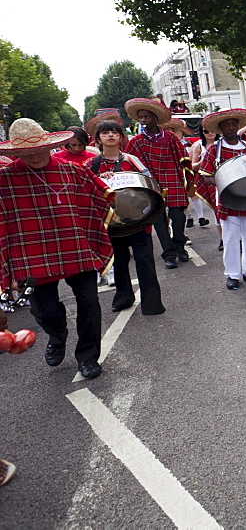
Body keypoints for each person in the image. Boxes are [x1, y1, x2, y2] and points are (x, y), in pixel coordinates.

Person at [0, 118, 114, 379]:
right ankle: (57, 334)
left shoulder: (72, 170)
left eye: (39, 149)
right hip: (31, 256)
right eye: (26, 153)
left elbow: (101, 196)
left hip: (75, 247)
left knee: (89, 302)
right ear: (16, 153)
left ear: (48, 146)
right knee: (45, 311)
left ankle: (87, 357)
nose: (35, 156)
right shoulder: (4, 180)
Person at [89, 120, 165, 316]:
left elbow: (149, 181)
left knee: (145, 260)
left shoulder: (131, 159)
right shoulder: (92, 163)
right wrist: (100, 180)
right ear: (98, 138)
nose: (111, 136)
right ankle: (123, 297)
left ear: (121, 137)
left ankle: (152, 303)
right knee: (119, 261)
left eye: (115, 133)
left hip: (138, 218)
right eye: (106, 133)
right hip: (112, 222)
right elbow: (86, 187)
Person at [199, 109, 246, 290]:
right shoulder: (214, 150)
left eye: (233, 124)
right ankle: (232, 274)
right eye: (226, 125)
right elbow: (206, 175)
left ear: (238, 126)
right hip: (227, 199)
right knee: (230, 237)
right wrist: (225, 181)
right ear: (220, 128)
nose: (230, 127)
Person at [125, 98, 194, 270]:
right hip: (151, 184)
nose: (143, 121)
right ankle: (169, 254)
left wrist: (188, 178)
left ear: (155, 118)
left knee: (178, 217)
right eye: (140, 117)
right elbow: (128, 161)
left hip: (172, 179)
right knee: (159, 221)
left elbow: (183, 157)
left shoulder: (170, 137)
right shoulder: (136, 141)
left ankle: (180, 245)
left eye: (146, 117)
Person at [190, 126, 223, 250]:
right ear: (202, 132)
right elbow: (193, 165)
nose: (210, 133)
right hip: (208, 181)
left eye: (212, 130)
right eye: (206, 131)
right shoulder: (199, 145)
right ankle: (223, 239)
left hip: (223, 178)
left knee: (230, 210)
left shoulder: (221, 143)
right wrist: (204, 161)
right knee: (216, 210)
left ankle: (236, 238)